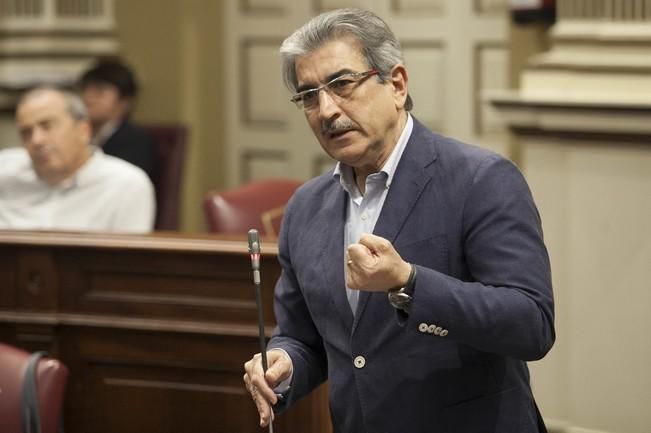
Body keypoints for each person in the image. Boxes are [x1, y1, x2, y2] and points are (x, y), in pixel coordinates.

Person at [243, 8, 555, 433]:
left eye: (341, 84)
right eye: (309, 96)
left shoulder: (480, 180)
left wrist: (409, 282)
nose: (327, 110)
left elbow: (530, 324)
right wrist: (284, 366)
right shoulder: (304, 208)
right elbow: (305, 339)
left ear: (396, 83)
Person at [0, 86, 155, 233]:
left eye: (47, 126)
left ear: (83, 130)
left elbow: (128, 259)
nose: (36, 140)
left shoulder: (125, 185)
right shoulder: (6, 170)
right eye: (26, 133)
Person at [78, 57, 156, 180]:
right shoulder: (80, 135)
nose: (88, 98)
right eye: (85, 90)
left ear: (124, 102)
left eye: (99, 92)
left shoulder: (135, 140)